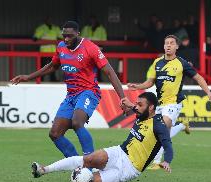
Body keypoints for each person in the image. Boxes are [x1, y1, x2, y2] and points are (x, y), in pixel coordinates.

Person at [11, 21, 127, 158]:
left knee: (77, 122)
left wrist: (122, 98)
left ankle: (90, 163)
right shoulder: (61, 47)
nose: (66, 39)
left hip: (89, 92)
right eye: (64, 36)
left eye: (70, 36)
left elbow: (110, 72)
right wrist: (29, 76)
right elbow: (53, 66)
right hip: (71, 95)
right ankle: (77, 165)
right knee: (55, 134)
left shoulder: (90, 48)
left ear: (78, 34)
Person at [31, 92, 173, 182]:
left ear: (151, 107)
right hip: (119, 152)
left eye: (140, 105)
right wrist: (127, 103)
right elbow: (132, 107)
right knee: (87, 159)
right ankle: (44, 169)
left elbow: (168, 145)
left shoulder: (159, 126)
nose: (137, 107)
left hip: (129, 169)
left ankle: (86, 177)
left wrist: (167, 160)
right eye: (137, 104)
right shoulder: (142, 114)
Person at [127, 35, 211, 170]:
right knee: (159, 131)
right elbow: (149, 82)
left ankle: (157, 161)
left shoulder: (182, 63)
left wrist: (208, 93)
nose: (168, 45)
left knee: (163, 126)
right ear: (164, 46)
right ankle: (181, 126)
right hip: (159, 104)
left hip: (174, 103)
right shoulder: (157, 62)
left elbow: (198, 78)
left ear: (176, 47)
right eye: (166, 43)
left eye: (171, 43)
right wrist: (138, 86)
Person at [33, 16, 62, 81]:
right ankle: (41, 79)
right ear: (45, 20)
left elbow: (61, 36)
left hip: (52, 51)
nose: (49, 21)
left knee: (53, 67)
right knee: (43, 67)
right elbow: (35, 37)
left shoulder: (55, 28)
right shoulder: (41, 28)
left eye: (50, 19)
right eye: (48, 19)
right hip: (44, 52)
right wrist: (35, 37)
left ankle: (53, 80)